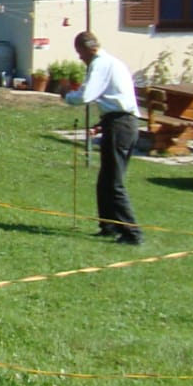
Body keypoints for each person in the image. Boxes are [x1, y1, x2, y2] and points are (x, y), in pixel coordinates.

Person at [64, 30, 143, 246]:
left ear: (88, 49)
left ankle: (132, 233)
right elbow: (117, 99)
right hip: (120, 123)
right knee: (105, 180)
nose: (80, 58)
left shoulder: (100, 64)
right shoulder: (114, 62)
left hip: (121, 125)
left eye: (80, 53)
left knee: (114, 182)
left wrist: (67, 96)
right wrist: (102, 125)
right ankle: (108, 226)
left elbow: (86, 95)